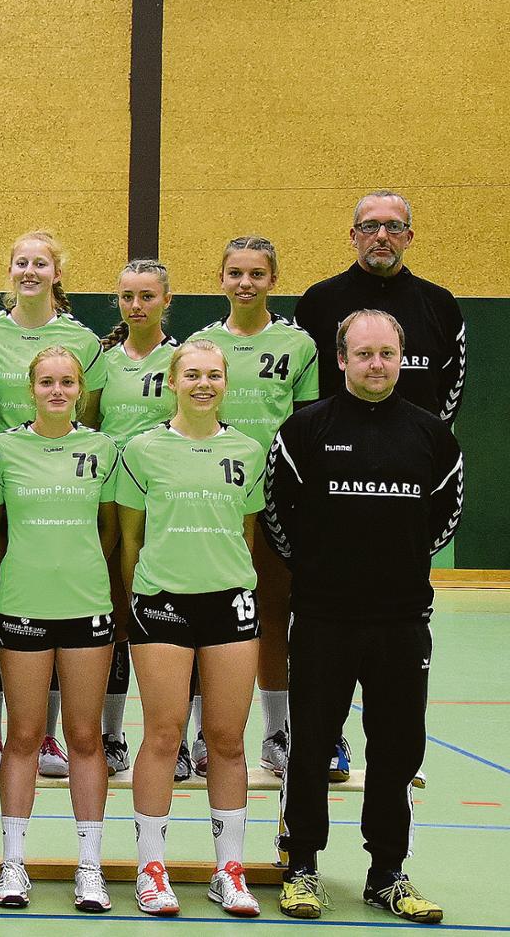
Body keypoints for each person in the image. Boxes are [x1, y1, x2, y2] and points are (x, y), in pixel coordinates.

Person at [268, 310, 463, 924]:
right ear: (342, 360)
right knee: (311, 746)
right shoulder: (304, 430)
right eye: (364, 354)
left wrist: (396, 567)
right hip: (323, 618)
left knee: (398, 748)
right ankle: (301, 866)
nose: (376, 364)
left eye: (387, 354)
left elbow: (444, 519)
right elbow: (278, 514)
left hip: (402, 621)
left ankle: (387, 873)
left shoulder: (433, 435)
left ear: (400, 359)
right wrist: (321, 570)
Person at [117, 340, 265, 918]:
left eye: (214, 375)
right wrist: (143, 596)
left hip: (230, 602)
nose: (204, 384)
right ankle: (151, 868)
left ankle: (229, 870)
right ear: (173, 382)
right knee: (163, 733)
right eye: (193, 374)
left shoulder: (248, 451)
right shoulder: (142, 450)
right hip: (163, 603)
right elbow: (131, 537)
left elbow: (245, 532)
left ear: (226, 383)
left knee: (227, 739)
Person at [0, 347, 118, 913]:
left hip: (86, 605)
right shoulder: (5, 448)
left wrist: (76, 568)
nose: (56, 391)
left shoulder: (103, 449)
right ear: (30, 388)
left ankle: (90, 867)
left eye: (66, 382)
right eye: (46, 382)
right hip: (23, 606)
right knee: (24, 736)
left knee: (85, 738)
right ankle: (13, 864)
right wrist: (24, 570)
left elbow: (110, 529)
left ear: (80, 389)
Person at [0, 231, 106, 779]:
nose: (30, 271)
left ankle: (48, 735)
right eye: (21, 262)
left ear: (57, 273)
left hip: (59, 487)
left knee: (58, 613)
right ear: (10, 270)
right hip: (4, 482)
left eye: (41, 263)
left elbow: (87, 418)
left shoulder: (82, 339)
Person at [190, 236, 318, 778]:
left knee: (272, 611)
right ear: (221, 279)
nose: (245, 283)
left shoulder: (298, 345)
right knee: (202, 611)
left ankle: (276, 732)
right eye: (236, 273)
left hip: (275, 501)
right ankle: (202, 735)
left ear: (273, 280)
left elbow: (309, 428)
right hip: (211, 500)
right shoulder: (200, 344)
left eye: (257, 274)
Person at [95, 260, 179, 778]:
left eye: (147, 296)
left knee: (173, 617)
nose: (136, 306)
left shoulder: (181, 359)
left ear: (166, 300)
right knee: (116, 618)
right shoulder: (103, 360)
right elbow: (87, 426)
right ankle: (111, 733)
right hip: (111, 501)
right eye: (127, 296)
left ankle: (178, 738)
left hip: (166, 503)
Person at [294, 191, 466, 425]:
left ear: (408, 237)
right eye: (370, 226)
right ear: (354, 236)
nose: (382, 236)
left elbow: (453, 383)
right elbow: (300, 384)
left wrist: (432, 435)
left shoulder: (440, 304)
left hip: (415, 444)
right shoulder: (317, 302)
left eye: (394, 226)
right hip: (334, 443)